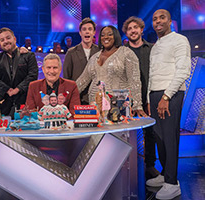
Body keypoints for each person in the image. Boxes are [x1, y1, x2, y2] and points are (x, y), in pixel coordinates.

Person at [146, 9, 191, 200]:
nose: (158, 21)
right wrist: (150, 100)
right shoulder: (156, 45)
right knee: (159, 138)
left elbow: (183, 70)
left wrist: (166, 97)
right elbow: (152, 73)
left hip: (170, 95)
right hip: (155, 95)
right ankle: (165, 175)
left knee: (170, 139)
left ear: (170, 21)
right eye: (155, 19)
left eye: (162, 18)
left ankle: (172, 183)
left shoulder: (180, 40)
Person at [76, 25, 146, 117]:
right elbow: (82, 80)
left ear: (116, 36)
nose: (106, 37)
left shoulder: (126, 53)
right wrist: (64, 95)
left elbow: (134, 81)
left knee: (117, 130)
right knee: (99, 131)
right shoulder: (94, 57)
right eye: (102, 35)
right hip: (95, 107)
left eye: (110, 34)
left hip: (119, 107)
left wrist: (137, 105)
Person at [122, 16, 160, 179]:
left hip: (148, 97)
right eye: (129, 28)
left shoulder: (151, 49)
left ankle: (150, 165)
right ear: (126, 33)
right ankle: (125, 166)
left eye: (135, 27)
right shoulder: (122, 52)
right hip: (126, 99)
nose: (133, 31)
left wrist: (151, 99)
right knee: (124, 132)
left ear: (141, 29)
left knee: (150, 133)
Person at [0, 27, 38, 117]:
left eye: (8, 38)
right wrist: (7, 90)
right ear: (0, 43)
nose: (5, 41)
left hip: (24, 102)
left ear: (14, 39)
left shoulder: (28, 55)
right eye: (2, 40)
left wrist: (17, 89)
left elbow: (32, 76)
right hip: (4, 104)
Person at [63, 17, 99, 105]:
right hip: (77, 98)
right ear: (80, 33)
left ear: (94, 32)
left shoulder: (100, 51)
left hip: (96, 98)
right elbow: (66, 78)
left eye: (90, 29)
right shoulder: (71, 52)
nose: (87, 32)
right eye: (84, 29)